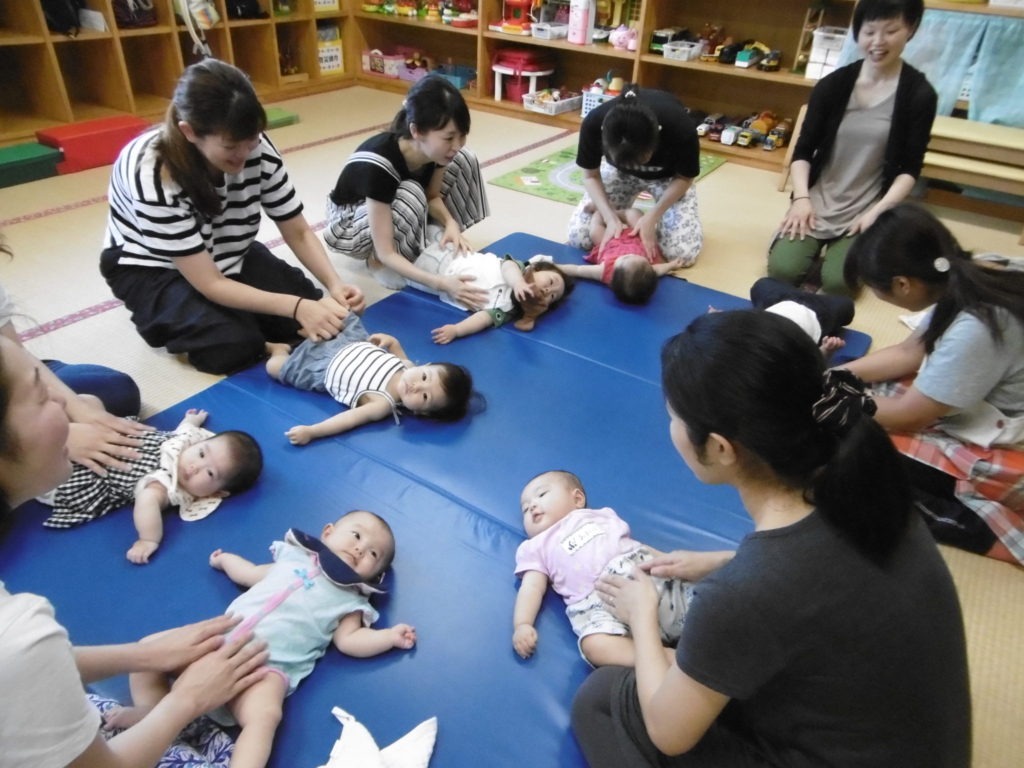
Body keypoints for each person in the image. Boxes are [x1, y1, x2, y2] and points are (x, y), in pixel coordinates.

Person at [571, 310, 970, 767]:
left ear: (721, 448)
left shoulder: (745, 595)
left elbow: (668, 734)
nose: (671, 430)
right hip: (918, 745)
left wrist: (641, 615)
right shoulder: (873, 489)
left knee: (603, 699)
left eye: (674, 418)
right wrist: (721, 563)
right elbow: (826, 583)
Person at [0, 335, 270, 767]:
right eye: (39, 390)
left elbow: (26, 674)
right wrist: (186, 700)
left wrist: (145, 655)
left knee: (105, 387)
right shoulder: (18, 636)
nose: (62, 398)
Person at [101, 59, 365, 375]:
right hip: (153, 267)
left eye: (251, 140)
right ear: (189, 132)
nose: (245, 153)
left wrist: (334, 284)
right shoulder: (153, 172)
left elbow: (297, 230)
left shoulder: (255, 145)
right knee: (232, 345)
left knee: (314, 309)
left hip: (224, 247)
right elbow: (210, 282)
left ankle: (246, 320)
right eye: (231, 146)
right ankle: (166, 313)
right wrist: (297, 308)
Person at [107, 511, 417, 768]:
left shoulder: (351, 600)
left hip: (266, 667)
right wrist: (225, 560)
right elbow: (251, 574)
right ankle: (151, 710)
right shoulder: (292, 556)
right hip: (216, 640)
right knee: (148, 651)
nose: (361, 549)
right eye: (357, 535)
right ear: (328, 532)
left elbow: (350, 641)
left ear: (373, 576)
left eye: (373, 554)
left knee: (264, 718)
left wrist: (388, 637)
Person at [841, 203, 1024, 563]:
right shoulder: (976, 268)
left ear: (902, 285)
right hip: (994, 389)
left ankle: (989, 532)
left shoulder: (979, 326)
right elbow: (912, 350)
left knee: (861, 459)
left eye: (877, 289)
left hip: (1009, 435)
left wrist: (839, 402)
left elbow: (912, 415)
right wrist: (839, 377)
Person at [768, 0, 936, 295]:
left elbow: (910, 168)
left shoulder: (919, 94)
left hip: (867, 208)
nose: (878, 42)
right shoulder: (833, 85)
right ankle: (806, 248)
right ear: (857, 32)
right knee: (782, 270)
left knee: (839, 283)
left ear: (910, 29)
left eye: (891, 30)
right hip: (817, 202)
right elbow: (803, 151)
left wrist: (879, 211)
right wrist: (802, 199)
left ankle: (843, 254)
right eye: (869, 31)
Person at [325, 75, 490, 306]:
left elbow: (432, 195)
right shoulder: (380, 163)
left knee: (464, 158)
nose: (457, 144)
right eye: (449, 137)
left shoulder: (436, 151)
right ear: (416, 131)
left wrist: (450, 222)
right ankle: (378, 264)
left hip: (394, 206)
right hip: (349, 225)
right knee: (411, 193)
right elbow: (386, 250)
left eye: (462, 135)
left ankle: (431, 240)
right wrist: (440, 283)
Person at [2, 234, 152, 478]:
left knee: (116, 391)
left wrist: (82, 412)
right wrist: (61, 434)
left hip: (11, 385)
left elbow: (13, 355)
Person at [513, 471, 692, 668]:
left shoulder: (600, 516)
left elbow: (636, 546)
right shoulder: (536, 547)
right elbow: (531, 588)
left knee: (696, 589)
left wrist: (668, 561)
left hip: (640, 575)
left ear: (578, 499)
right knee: (593, 646)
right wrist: (522, 624)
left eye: (541, 494)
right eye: (525, 509)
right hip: (599, 604)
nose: (532, 506)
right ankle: (666, 659)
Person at [41, 407, 263, 565]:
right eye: (202, 453)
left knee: (45, 468)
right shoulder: (187, 443)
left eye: (210, 472)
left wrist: (148, 539)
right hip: (104, 438)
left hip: (85, 471)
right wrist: (192, 421)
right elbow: (185, 431)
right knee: (88, 401)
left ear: (217, 492)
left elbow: (147, 501)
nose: (195, 466)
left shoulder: (167, 485)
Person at [266, 313, 477, 445]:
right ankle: (306, 329)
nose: (415, 386)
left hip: (321, 368)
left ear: (419, 411)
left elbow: (348, 420)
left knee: (274, 368)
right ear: (426, 366)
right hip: (349, 342)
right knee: (342, 311)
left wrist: (312, 432)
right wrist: (392, 342)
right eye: (424, 377)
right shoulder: (407, 367)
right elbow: (399, 353)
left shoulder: (382, 403)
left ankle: (279, 349)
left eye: (424, 396)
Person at [568, 85, 702, 267]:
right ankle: (617, 214)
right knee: (580, 239)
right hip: (619, 174)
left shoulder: (680, 127)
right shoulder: (594, 123)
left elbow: (685, 177)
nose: (637, 166)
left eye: (641, 159)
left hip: (669, 179)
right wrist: (608, 217)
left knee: (681, 255)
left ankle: (637, 219)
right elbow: (590, 176)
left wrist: (653, 217)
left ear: (655, 141)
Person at [411, 243, 574, 342]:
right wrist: (518, 283)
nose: (547, 290)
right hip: (454, 255)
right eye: (551, 282)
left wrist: (457, 330)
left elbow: (483, 319)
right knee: (423, 235)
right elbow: (508, 268)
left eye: (552, 296)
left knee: (403, 271)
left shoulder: (508, 309)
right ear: (537, 268)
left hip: (439, 278)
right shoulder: (520, 267)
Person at [559, 207, 684, 304]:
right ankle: (622, 212)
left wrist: (555, 267)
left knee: (595, 232)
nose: (630, 254)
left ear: (614, 274)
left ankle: (599, 210)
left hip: (609, 242)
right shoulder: (645, 272)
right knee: (636, 213)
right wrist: (671, 265)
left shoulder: (605, 271)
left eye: (626, 257)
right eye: (642, 259)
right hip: (636, 236)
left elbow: (578, 270)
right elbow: (658, 269)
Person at [748, 276, 855, 356]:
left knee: (761, 284)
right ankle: (807, 293)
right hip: (818, 314)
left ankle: (802, 292)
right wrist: (826, 349)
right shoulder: (787, 366)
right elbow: (813, 365)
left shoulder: (743, 348)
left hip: (776, 301)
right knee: (847, 306)